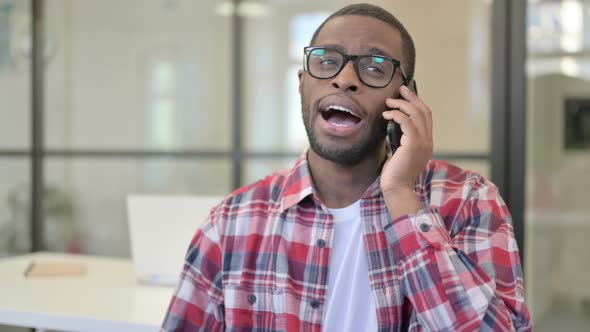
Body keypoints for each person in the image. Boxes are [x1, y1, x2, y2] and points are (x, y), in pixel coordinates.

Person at [161, 3, 531, 331]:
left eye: (374, 67)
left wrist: (402, 196)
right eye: (326, 61)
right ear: (303, 84)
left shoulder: (469, 202)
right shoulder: (231, 223)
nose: (345, 79)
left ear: (406, 98)